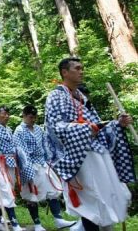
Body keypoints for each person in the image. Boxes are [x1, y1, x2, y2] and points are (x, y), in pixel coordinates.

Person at [45, 58, 135, 231]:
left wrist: (118, 124)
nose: (81, 71)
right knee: (91, 201)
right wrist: (85, 130)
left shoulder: (82, 97)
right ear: (65, 72)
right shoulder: (56, 95)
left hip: (97, 154)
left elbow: (98, 125)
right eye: (77, 68)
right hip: (78, 157)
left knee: (109, 197)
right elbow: (54, 128)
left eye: (82, 68)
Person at [14, 105, 76, 231]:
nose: (33, 119)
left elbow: (45, 145)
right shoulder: (19, 131)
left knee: (53, 191)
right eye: (31, 117)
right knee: (32, 196)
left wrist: (51, 161)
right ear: (24, 116)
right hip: (29, 165)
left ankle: (58, 219)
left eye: (35, 117)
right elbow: (21, 152)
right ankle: (37, 224)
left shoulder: (38, 129)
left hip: (42, 163)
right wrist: (28, 170)